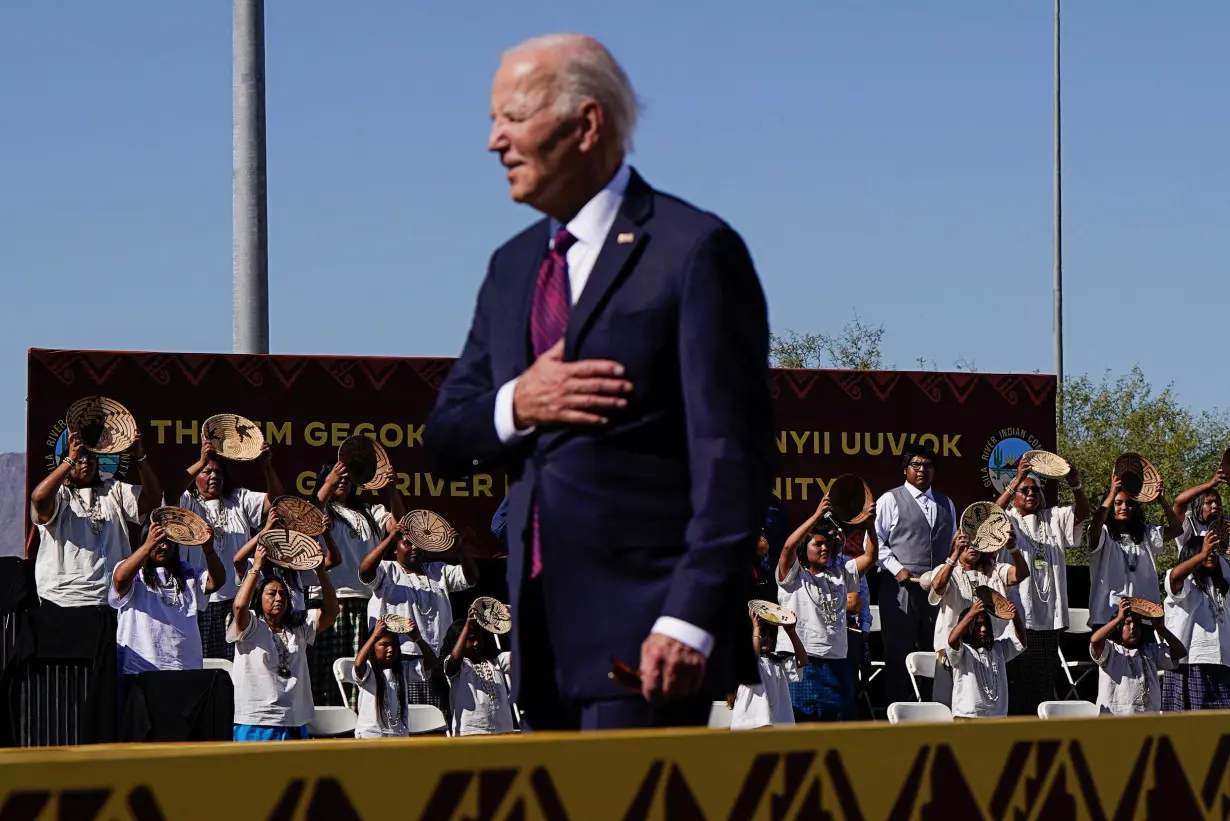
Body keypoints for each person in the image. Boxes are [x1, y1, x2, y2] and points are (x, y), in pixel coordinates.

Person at [424, 33, 774, 730]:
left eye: (513, 117)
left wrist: (690, 617)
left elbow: (732, 457)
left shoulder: (693, 252)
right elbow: (444, 434)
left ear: (586, 125)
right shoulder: (511, 267)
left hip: (648, 643)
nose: (494, 141)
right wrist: (519, 401)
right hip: (540, 641)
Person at [169, 439, 283, 662]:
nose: (214, 477)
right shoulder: (187, 501)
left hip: (236, 599)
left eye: (218, 473)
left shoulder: (237, 499)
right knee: (201, 664)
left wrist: (267, 468)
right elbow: (169, 494)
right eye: (207, 472)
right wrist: (200, 460)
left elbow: (275, 502)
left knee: (235, 664)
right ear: (195, 478)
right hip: (198, 600)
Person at [995, 455, 1090, 716]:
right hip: (1015, 619)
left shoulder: (1052, 518)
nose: (1030, 494)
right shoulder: (1007, 520)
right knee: (1015, 688)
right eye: (1024, 490)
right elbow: (987, 519)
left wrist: (1075, 485)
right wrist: (1015, 481)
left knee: (1042, 688)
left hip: (1047, 620)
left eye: (1035, 489)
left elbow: (1082, 513)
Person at [310, 461, 405, 707]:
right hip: (332, 600)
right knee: (328, 667)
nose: (343, 481)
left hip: (368, 601)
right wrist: (327, 485)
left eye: (347, 478)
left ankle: (356, 720)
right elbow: (306, 517)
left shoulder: (371, 511)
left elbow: (398, 526)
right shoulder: (323, 510)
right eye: (337, 477)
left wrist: (392, 490)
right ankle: (327, 725)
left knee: (360, 667)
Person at [30, 430, 161, 608]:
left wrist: (140, 458)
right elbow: (39, 498)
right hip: (63, 600)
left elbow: (152, 500)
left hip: (111, 601)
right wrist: (70, 460)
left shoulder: (113, 490)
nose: (85, 460)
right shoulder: (59, 496)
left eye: (91, 455)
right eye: (79, 456)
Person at [775, 497, 877, 722]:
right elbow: (787, 547)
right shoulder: (794, 576)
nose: (824, 548)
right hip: (802, 662)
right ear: (806, 547)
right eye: (817, 544)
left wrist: (869, 526)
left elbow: (870, 557)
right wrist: (815, 516)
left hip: (837, 660)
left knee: (837, 727)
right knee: (802, 727)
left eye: (826, 544)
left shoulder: (841, 573)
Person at [359, 521, 478, 711]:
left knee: (437, 719)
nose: (415, 548)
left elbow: (470, 578)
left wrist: (460, 549)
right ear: (395, 548)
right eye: (408, 543)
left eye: (419, 544)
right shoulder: (387, 569)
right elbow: (365, 572)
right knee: (406, 718)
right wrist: (390, 537)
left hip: (437, 658)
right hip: (402, 658)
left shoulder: (438, 570)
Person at [228, 544, 339, 741]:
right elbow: (239, 605)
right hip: (256, 721)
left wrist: (321, 570)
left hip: (294, 720)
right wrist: (256, 567)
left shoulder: (298, 625)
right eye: (271, 593)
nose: (278, 598)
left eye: (283, 594)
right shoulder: (251, 624)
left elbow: (331, 613)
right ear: (259, 599)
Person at [873, 444, 956, 704]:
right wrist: (897, 568)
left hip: (937, 592)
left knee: (936, 652)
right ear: (906, 469)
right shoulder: (890, 499)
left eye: (927, 465)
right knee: (898, 653)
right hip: (900, 590)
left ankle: (934, 710)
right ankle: (897, 716)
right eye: (916, 465)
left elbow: (953, 544)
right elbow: (875, 543)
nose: (922, 470)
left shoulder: (946, 504)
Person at [927, 529, 1028, 706]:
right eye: (966, 542)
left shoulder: (995, 570)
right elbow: (937, 586)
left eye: (976, 542)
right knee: (948, 708)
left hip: (992, 651)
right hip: (954, 653)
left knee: (989, 706)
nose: (972, 546)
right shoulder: (947, 570)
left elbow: (1021, 574)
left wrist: (1013, 548)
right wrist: (955, 554)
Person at [109, 522, 224, 677]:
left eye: (169, 542)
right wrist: (148, 545)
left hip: (184, 666)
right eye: (158, 541)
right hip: (139, 667)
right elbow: (120, 580)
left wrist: (208, 550)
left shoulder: (188, 571)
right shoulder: (133, 571)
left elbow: (216, 582)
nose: (164, 547)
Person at [1087, 472, 1183, 628]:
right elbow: (1097, 522)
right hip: (1108, 616)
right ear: (1111, 506)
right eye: (1118, 503)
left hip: (1144, 616)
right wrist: (1112, 492)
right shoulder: (1102, 533)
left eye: (1129, 503)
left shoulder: (1145, 533)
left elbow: (1177, 530)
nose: (1124, 507)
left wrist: (1161, 500)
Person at [1162, 529, 1230, 711]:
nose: (1211, 554)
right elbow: (1175, 576)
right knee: (1189, 727)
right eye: (1205, 550)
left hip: (1222, 662)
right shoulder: (1186, 582)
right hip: (1190, 662)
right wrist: (1203, 554)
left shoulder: (1222, 585)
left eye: (1213, 552)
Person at [1091, 599, 1185, 715]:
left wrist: (1161, 629)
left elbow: (1180, 652)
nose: (1133, 627)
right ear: (1119, 627)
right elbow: (1095, 641)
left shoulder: (1149, 651)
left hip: (1147, 721)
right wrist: (1118, 618)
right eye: (1127, 623)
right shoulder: (1112, 651)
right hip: (1115, 721)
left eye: (1137, 624)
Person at [350, 618, 438, 738]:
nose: (390, 650)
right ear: (373, 648)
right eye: (384, 645)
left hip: (399, 736)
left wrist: (418, 639)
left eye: (394, 645)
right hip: (370, 736)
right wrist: (374, 636)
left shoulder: (403, 669)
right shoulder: (368, 670)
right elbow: (358, 664)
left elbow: (432, 663)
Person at [947, 598, 1026, 719]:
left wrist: (1016, 618)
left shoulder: (997, 649)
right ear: (968, 627)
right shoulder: (963, 652)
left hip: (997, 717)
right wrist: (971, 613)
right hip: (967, 717)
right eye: (978, 625)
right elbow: (952, 640)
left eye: (986, 625)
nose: (983, 629)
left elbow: (1021, 642)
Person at [730, 607, 807, 731]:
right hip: (749, 727)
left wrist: (791, 632)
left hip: (776, 728)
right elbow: (751, 660)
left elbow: (802, 661)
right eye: (761, 634)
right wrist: (756, 628)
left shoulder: (777, 663)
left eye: (768, 635)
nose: (766, 638)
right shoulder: (742, 660)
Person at [442, 612, 515, 736]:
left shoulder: (495, 660)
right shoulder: (459, 665)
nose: (476, 643)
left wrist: (509, 628)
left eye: (478, 638)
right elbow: (453, 661)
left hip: (503, 729)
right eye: (470, 639)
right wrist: (466, 627)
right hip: (470, 731)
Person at [1172, 467, 1227, 549]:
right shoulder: (1188, 525)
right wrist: (1210, 483)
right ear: (1198, 506)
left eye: (1217, 502)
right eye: (1209, 503)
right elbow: (1178, 502)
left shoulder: (1226, 523)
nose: (1215, 506)